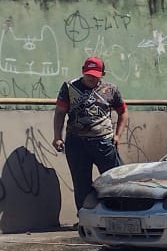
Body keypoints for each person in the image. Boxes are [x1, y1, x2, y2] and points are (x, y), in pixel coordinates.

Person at [52, 56, 129, 211]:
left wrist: (117, 135)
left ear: (102, 74)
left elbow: (123, 112)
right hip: (77, 142)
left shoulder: (111, 89)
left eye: (95, 76)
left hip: (103, 142)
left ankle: (117, 213)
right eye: (88, 74)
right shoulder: (69, 87)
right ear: (83, 71)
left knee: (114, 180)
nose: (90, 78)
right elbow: (60, 112)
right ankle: (85, 216)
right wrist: (57, 137)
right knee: (81, 184)